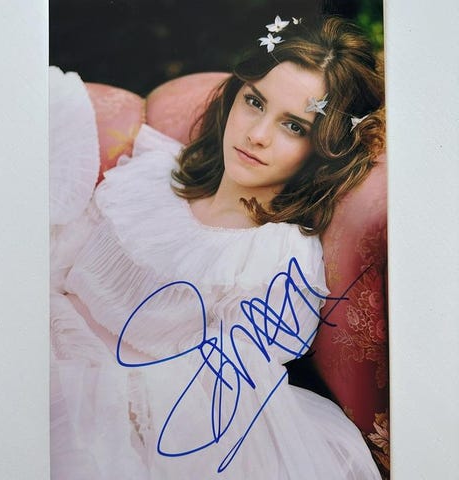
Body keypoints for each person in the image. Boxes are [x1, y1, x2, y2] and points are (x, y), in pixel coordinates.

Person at [50, 14, 385, 480]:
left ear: (323, 149)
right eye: (255, 102)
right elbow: (58, 262)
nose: (257, 134)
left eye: (294, 127)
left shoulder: (277, 257)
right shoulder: (157, 175)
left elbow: (217, 392)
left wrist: (95, 387)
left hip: (122, 419)